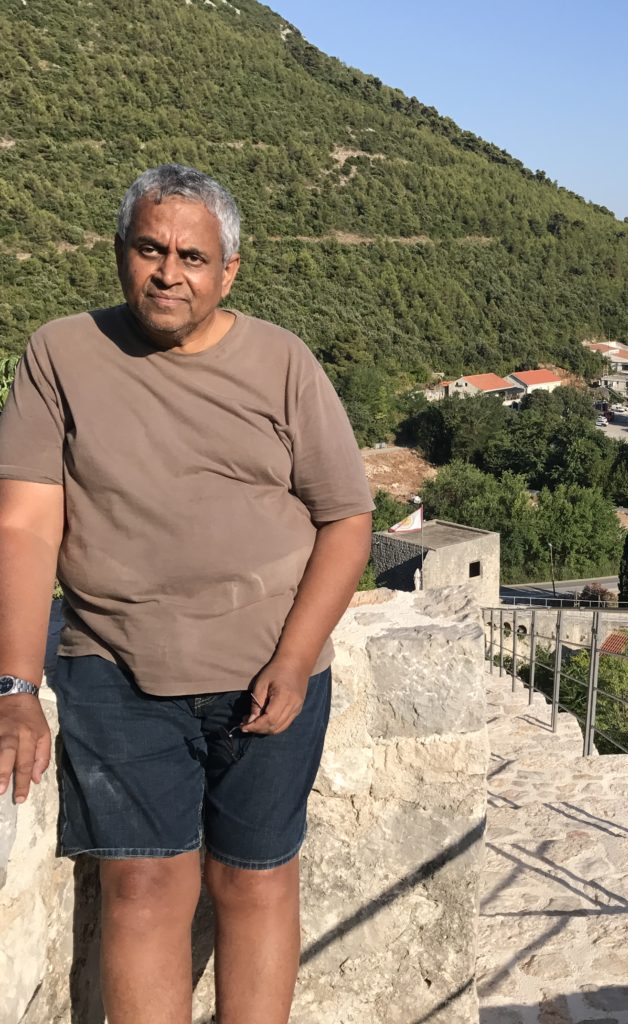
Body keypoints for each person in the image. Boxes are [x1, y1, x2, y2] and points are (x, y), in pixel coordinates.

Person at [0, 165, 374, 1024]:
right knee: (140, 888)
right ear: (119, 252)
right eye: (151, 248)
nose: (170, 271)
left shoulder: (281, 361)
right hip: (117, 671)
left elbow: (347, 518)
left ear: (229, 272)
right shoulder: (61, 354)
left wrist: (291, 657)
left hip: (269, 675)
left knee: (256, 881)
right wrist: (17, 688)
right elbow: (24, 525)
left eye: (194, 256)